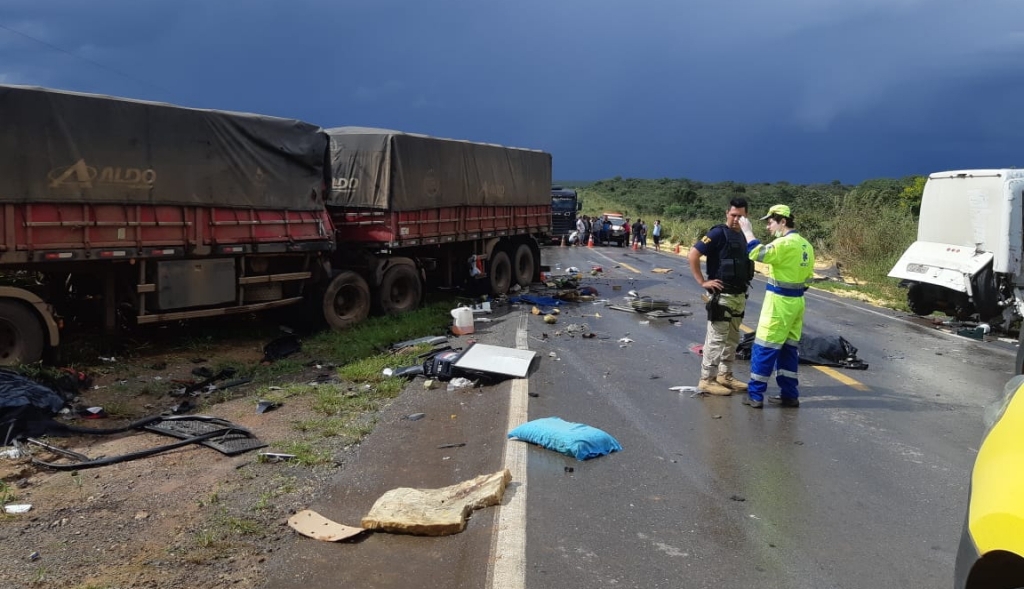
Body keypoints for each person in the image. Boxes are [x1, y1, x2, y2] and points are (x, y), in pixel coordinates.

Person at [737, 204, 815, 408]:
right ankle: (790, 394)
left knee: (764, 347)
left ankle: (755, 395)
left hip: (779, 304)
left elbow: (757, 253)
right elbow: (808, 279)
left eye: (770, 222)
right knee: (788, 350)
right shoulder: (806, 245)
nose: (768, 226)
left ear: (783, 221)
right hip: (798, 303)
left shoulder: (784, 243)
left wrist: (747, 231)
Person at [688, 198, 754, 396]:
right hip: (722, 296)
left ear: (746, 216)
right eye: (733, 215)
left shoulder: (745, 235)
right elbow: (693, 254)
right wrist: (702, 282)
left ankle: (725, 375)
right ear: (727, 213)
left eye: (740, 216)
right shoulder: (717, 233)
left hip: (739, 294)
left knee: (732, 339)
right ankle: (706, 379)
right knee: (716, 339)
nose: (736, 219)